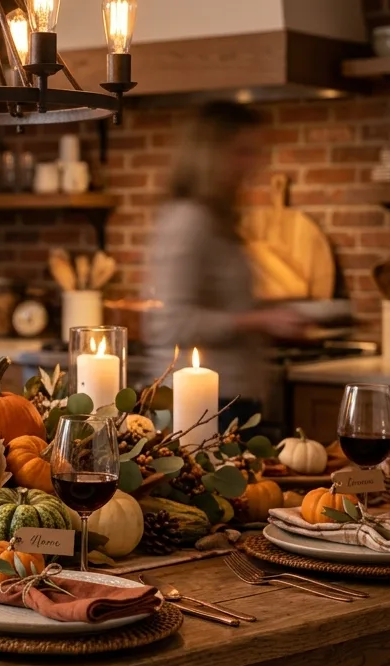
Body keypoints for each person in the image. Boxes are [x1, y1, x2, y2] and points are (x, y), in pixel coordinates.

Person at [146, 101, 309, 430]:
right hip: (199, 407)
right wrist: (259, 320)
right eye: (243, 152)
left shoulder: (216, 219)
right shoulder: (187, 220)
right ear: (210, 155)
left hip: (229, 398)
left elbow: (223, 304)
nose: (254, 164)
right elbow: (168, 323)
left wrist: (269, 314)